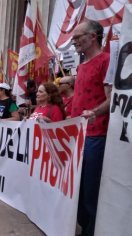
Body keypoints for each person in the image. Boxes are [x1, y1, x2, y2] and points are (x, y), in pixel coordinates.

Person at [71, 20, 111, 236]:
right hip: (77, 136)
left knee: (90, 192)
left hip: (96, 137)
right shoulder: (81, 66)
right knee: (76, 191)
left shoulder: (106, 61)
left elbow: (112, 98)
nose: (74, 40)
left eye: (78, 36)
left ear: (93, 36)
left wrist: (95, 112)